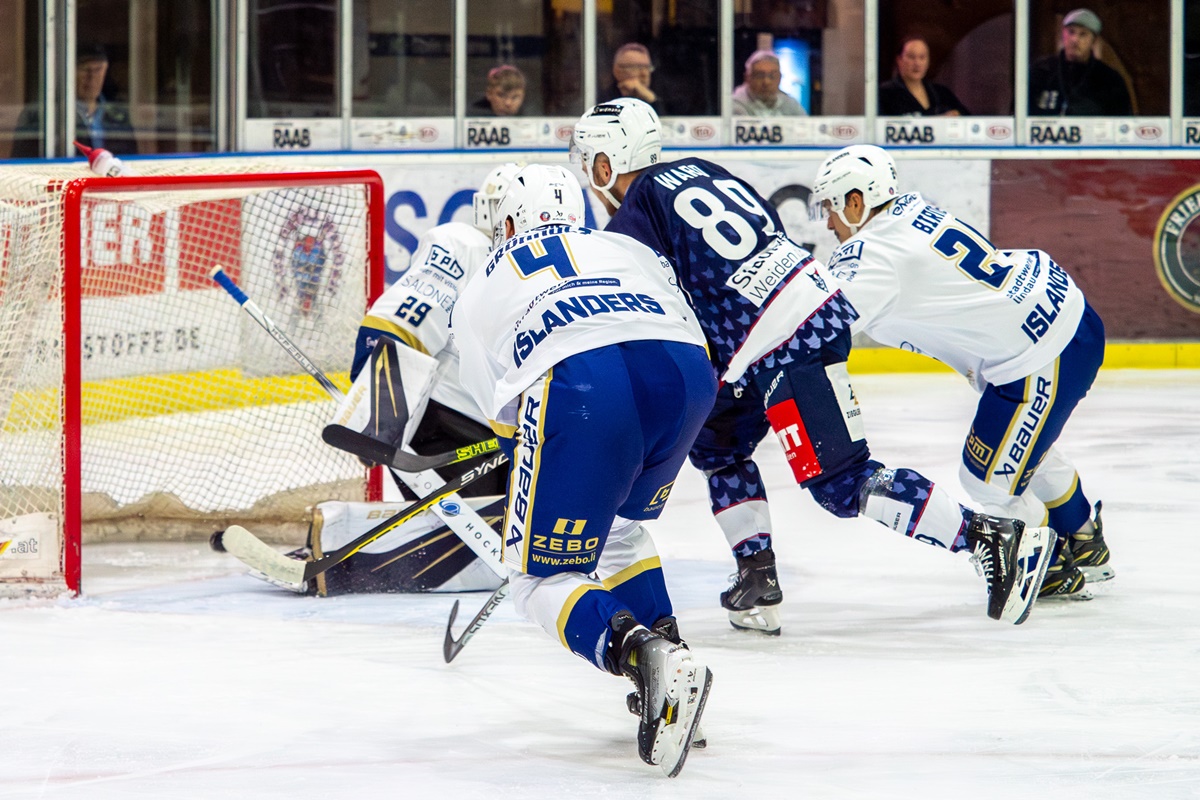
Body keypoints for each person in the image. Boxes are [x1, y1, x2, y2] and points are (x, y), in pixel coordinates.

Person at [570, 98, 1055, 634]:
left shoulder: (634, 213)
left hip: (782, 339)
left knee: (841, 483)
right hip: (787, 325)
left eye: (590, 161)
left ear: (605, 162)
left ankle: (987, 537)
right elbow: (767, 233)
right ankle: (757, 574)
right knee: (718, 445)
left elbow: (652, 304)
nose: (590, 176)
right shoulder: (704, 171)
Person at [451, 163, 714, 776]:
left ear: (511, 221)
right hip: (685, 376)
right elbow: (679, 313)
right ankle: (672, 663)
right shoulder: (622, 244)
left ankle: (647, 659)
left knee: (538, 578)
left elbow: (505, 420)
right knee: (621, 531)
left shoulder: (486, 278)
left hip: (586, 384)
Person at [811, 144, 1113, 599]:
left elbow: (814, 325)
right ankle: (1084, 538)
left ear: (856, 202)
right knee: (1024, 452)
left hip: (1038, 356)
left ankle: (1048, 566)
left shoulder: (870, 256)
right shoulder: (912, 210)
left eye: (831, 208)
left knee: (985, 478)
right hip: (1061, 311)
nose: (829, 223)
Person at [245, 163, 525, 597]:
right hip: (453, 426)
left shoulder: (547, 269)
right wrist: (377, 414)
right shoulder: (465, 246)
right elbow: (404, 316)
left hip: (513, 432)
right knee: (510, 535)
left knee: (533, 534)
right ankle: (343, 548)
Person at [11, 42, 138, 158]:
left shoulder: (119, 115)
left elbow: (132, 160)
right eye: (85, 70)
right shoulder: (40, 115)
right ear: (69, 72)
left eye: (98, 69)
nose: (92, 77)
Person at [1029, 8, 1133, 116]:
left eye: (1083, 34)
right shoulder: (1041, 72)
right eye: (1071, 32)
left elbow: (1122, 122)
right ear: (1063, 34)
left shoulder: (1109, 79)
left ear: (1093, 40)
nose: (1075, 39)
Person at [878, 36, 970, 117]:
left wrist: (955, 114)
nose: (917, 63)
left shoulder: (941, 93)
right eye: (911, 57)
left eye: (922, 57)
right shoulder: (884, 94)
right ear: (899, 60)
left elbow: (967, 117)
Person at [732, 50, 805, 117]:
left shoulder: (791, 104)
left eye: (772, 76)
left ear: (780, 78)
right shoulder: (734, 105)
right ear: (747, 78)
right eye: (760, 75)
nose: (766, 82)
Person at [604, 43, 665, 115]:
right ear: (617, 71)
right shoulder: (603, 100)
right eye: (637, 67)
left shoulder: (661, 93)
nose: (644, 74)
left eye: (647, 67)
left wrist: (652, 100)